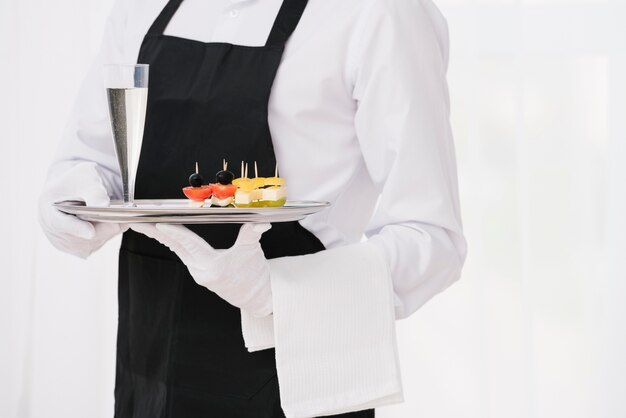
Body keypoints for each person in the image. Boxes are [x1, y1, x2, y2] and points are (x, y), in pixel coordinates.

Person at [38, 0, 467, 416]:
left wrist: (277, 290)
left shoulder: (381, 12)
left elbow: (433, 237)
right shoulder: (140, 8)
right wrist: (70, 204)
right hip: (148, 369)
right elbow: (91, 162)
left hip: (296, 379)